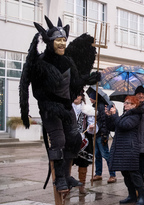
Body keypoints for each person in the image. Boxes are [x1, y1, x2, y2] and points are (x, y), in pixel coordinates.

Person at [19, 16, 100, 192]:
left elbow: (76, 82)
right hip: (50, 109)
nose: (62, 43)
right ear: (49, 42)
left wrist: (90, 78)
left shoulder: (68, 61)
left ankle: (67, 174)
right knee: (59, 141)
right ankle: (60, 179)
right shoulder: (41, 63)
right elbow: (36, 91)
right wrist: (51, 106)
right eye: (58, 40)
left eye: (64, 40)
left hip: (66, 107)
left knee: (76, 139)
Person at [105, 95, 144, 205]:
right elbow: (113, 127)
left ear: (134, 105)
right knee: (125, 173)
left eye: (128, 103)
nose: (125, 104)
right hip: (122, 147)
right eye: (125, 103)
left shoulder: (136, 115)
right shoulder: (125, 114)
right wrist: (109, 116)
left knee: (133, 173)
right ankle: (132, 195)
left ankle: (141, 196)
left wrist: (115, 115)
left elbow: (124, 125)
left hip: (130, 147)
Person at [89, 91, 116, 184]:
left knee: (106, 154)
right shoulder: (95, 106)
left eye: (91, 97)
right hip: (96, 134)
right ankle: (98, 173)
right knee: (97, 155)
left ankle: (112, 174)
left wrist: (104, 134)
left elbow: (104, 122)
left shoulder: (101, 106)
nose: (89, 98)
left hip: (101, 134)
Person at [72, 92, 97, 194]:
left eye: (77, 95)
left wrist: (92, 127)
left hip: (84, 140)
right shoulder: (67, 108)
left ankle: (82, 185)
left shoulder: (88, 110)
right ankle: (66, 182)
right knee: (68, 161)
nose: (75, 97)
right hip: (70, 138)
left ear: (81, 96)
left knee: (83, 163)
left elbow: (94, 126)